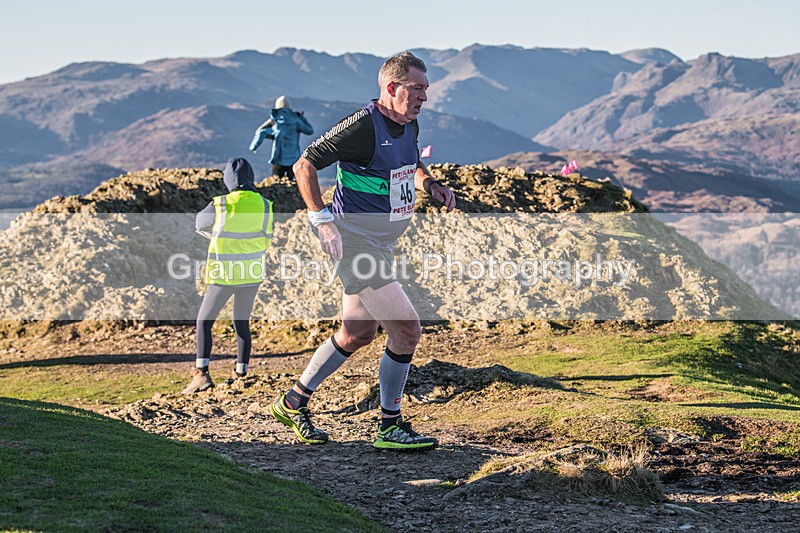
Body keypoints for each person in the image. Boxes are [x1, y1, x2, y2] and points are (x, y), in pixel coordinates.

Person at [269, 51, 456, 450]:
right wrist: (320, 219)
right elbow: (305, 166)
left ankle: (293, 402)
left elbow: (410, 166)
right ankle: (390, 426)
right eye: (417, 88)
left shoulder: (409, 122)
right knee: (406, 328)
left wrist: (431, 184)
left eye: (426, 88)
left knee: (357, 332)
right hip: (354, 243)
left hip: (379, 244)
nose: (425, 96)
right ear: (392, 88)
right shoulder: (362, 127)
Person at [181, 158, 274, 394]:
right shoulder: (265, 204)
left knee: (204, 321)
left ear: (228, 181)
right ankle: (241, 372)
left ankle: (201, 374)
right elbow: (267, 234)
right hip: (252, 273)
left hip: (224, 273)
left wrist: (216, 236)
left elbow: (200, 225)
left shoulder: (220, 204)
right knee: (241, 323)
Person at [249, 96, 314, 179]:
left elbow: (259, 131)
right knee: (292, 184)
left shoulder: (274, 120)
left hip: (278, 159)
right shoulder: (296, 120)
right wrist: (301, 117)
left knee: (276, 183)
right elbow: (309, 131)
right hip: (293, 158)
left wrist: (271, 134)